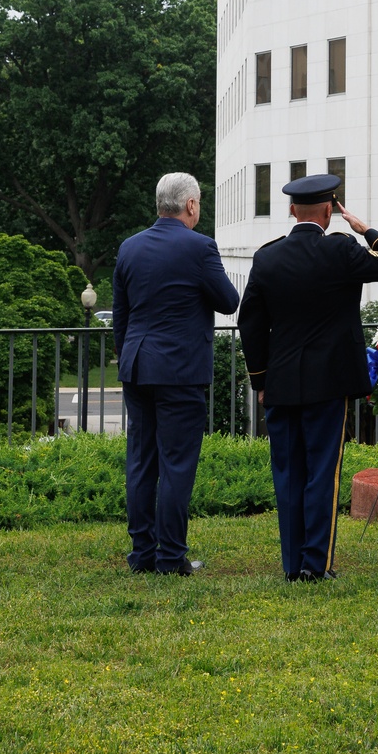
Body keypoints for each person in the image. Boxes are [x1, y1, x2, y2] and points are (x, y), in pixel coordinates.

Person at [237, 173, 378, 582]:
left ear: (291, 210)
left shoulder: (267, 257)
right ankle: (316, 564)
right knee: (321, 473)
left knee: (288, 473)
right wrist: (366, 230)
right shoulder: (341, 250)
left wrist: (260, 381)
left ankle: (292, 565)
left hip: (280, 383)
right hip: (329, 384)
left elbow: (250, 324)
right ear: (330, 211)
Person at [113, 172, 240, 575]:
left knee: (141, 462)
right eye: (199, 202)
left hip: (136, 365)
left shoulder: (129, 248)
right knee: (177, 465)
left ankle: (141, 555)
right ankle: (170, 557)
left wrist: (128, 355)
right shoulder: (200, 247)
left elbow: (121, 315)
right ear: (190, 205)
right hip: (180, 370)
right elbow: (228, 300)